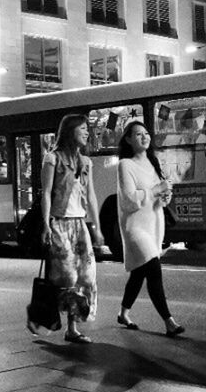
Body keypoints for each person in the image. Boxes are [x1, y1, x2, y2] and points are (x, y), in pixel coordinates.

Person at [116, 121, 185, 337]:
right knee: (153, 268)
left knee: (139, 272)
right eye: (138, 134)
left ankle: (123, 313)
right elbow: (129, 201)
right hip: (134, 227)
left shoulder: (153, 163)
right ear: (128, 139)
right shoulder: (125, 165)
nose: (144, 137)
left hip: (153, 226)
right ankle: (169, 322)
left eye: (146, 133)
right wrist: (156, 189)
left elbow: (158, 201)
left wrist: (165, 196)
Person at [39, 114, 104, 344]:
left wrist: (96, 227)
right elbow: (46, 193)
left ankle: (72, 328)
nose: (88, 132)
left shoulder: (86, 162)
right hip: (60, 224)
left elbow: (92, 196)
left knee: (86, 277)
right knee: (67, 277)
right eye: (83, 128)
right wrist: (46, 224)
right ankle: (51, 316)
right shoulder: (52, 159)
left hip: (79, 225)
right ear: (70, 131)